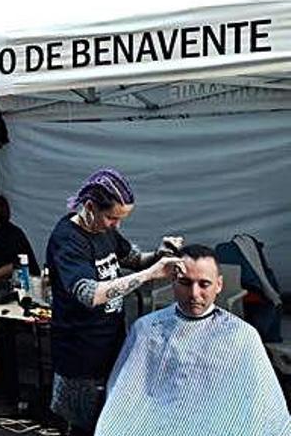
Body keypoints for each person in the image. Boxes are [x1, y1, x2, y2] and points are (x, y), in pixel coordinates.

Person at [96, 244, 291, 436]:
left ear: (219, 285)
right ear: (174, 281)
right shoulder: (147, 329)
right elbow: (123, 395)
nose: (194, 294)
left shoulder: (242, 335)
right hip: (156, 420)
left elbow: (262, 403)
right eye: (186, 283)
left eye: (204, 284)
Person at [47, 168, 183, 436]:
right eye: (112, 217)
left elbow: (134, 259)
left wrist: (159, 254)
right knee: (85, 427)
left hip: (110, 345)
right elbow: (90, 294)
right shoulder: (67, 239)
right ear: (89, 207)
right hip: (81, 356)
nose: (116, 225)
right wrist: (150, 275)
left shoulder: (104, 229)